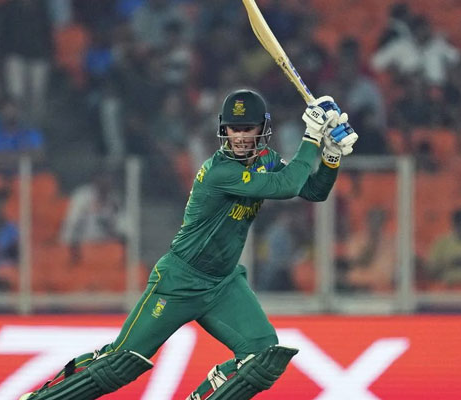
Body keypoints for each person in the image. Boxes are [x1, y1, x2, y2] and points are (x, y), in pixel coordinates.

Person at [20, 89, 358, 400]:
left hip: (222, 284)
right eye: (234, 129)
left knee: (263, 357)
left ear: (262, 129)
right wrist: (311, 137)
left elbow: (313, 190)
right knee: (121, 362)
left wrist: (331, 155)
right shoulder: (219, 172)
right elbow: (286, 186)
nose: (241, 136)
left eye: (248, 128)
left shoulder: (266, 159)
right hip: (180, 280)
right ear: (224, 130)